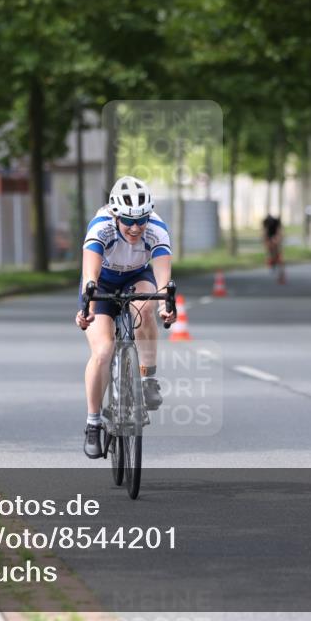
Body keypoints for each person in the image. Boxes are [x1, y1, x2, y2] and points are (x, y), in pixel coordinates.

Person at [75, 176, 177, 459]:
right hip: (103, 283)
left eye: (141, 220)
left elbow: (162, 280)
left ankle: (148, 378)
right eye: (129, 221)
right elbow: (89, 277)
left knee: (145, 307)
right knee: (103, 351)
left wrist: (165, 305)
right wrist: (87, 310)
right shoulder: (101, 227)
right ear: (116, 215)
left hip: (137, 276)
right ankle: (93, 423)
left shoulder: (157, 229)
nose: (135, 227)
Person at [262, 214, 285, 282]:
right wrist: (266, 241)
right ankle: (271, 264)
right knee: (270, 252)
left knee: (276, 251)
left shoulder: (277, 222)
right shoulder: (265, 222)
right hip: (269, 236)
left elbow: (279, 231)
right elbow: (264, 232)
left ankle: (277, 264)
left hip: (275, 236)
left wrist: (278, 239)